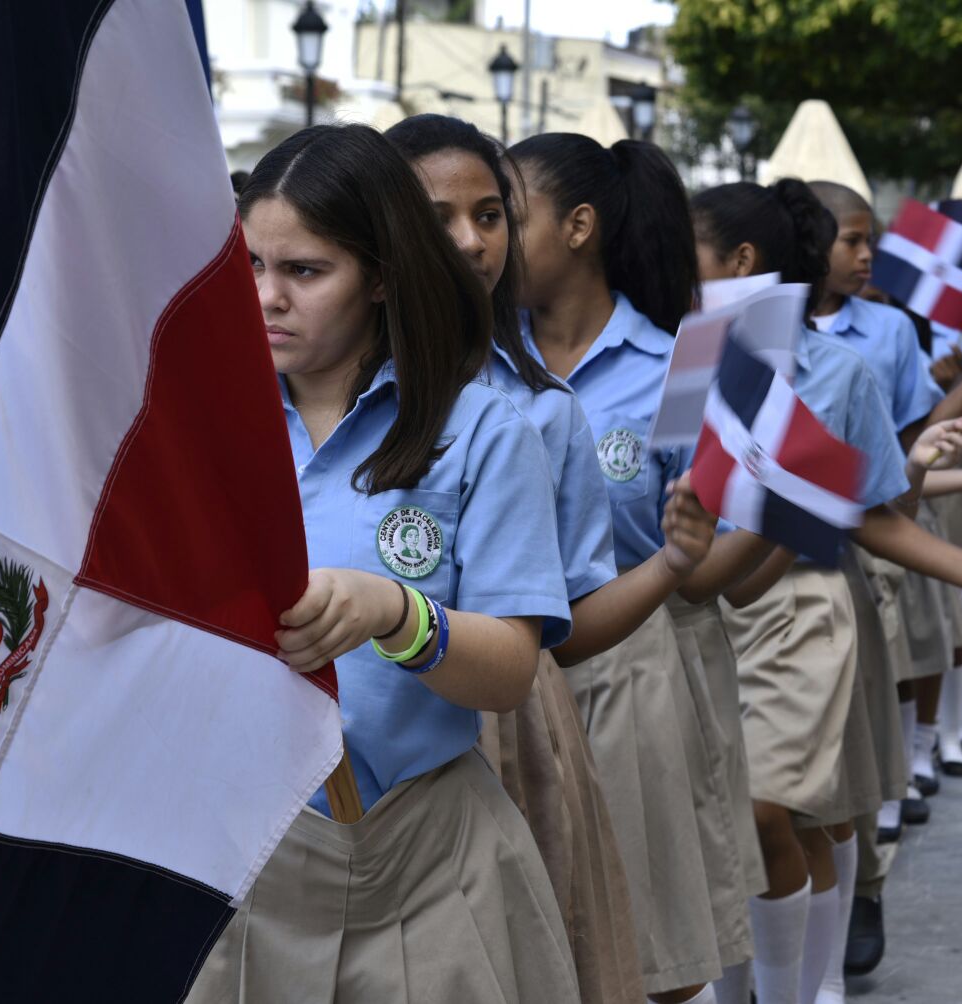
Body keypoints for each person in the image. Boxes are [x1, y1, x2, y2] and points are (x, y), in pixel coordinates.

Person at [188, 124, 579, 1003]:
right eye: (249, 265)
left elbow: (511, 671)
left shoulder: (481, 431)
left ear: (382, 276)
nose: (267, 297)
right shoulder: (195, 426)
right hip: (239, 851)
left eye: (305, 271)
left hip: (424, 854)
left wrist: (397, 615)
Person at [690, 179, 962, 1004]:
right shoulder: (679, 359)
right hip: (699, 614)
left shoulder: (842, 368)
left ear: (741, 261)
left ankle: (805, 984)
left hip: (802, 612)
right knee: (741, 824)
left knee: (784, 812)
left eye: (690, 254)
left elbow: (870, 512)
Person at [386, 112, 715, 1004]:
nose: (472, 241)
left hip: (514, 726)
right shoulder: (327, 385)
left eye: (493, 215)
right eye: (439, 215)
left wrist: (677, 563)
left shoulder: (556, 403)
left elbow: (562, 626)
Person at [507, 131, 759, 1004]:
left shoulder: (683, 368)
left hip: (632, 670)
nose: (484, 239)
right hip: (504, 674)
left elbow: (709, 562)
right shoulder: (482, 363)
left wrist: (692, 553)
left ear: (579, 227)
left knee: (649, 951)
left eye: (506, 214)